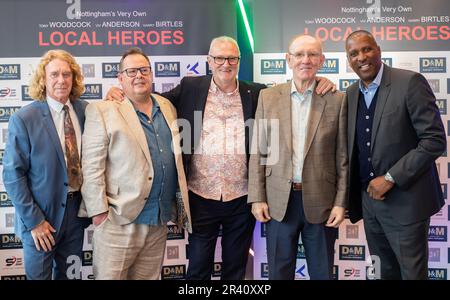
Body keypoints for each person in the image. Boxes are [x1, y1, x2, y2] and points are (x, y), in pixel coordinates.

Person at [106, 36, 336, 280]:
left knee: (235, 268)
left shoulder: (257, 93)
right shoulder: (191, 87)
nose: (225, 64)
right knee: (197, 267)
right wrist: (121, 92)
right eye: (219, 58)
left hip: (242, 197)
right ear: (209, 61)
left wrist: (319, 81)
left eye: (232, 58)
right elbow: (152, 102)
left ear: (238, 60)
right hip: (200, 195)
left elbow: (293, 92)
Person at [78, 47, 191, 280]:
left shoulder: (166, 106)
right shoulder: (102, 110)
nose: (138, 76)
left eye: (143, 70)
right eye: (131, 72)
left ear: (151, 74)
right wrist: (99, 212)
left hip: (158, 221)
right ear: (120, 78)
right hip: (118, 220)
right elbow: (91, 167)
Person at [345, 30, 446, 280]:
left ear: (378, 50)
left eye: (367, 49)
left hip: (406, 204)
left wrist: (390, 178)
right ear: (349, 60)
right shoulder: (350, 94)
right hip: (370, 206)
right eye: (354, 53)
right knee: (383, 272)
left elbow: (434, 140)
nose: (361, 57)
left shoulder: (410, 82)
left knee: (412, 274)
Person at [248, 35, 347, 280]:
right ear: (288, 59)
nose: (306, 60)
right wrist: (257, 197)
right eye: (300, 54)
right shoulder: (268, 97)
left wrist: (340, 202)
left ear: (322, 60)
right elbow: (258, 151)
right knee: (279, 274)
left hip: (322, 203)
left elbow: (342, 157)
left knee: (322, 273)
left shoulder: (337, 99)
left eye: (313, 54)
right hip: (278, 203)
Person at [2, 49, 90, 280]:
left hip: (76, 214)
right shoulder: (24, 118)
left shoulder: (87, 111)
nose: (61, 80)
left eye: (66, 74)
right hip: (41, 219)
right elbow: (12, 175)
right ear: (43, 79)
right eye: (54, 75)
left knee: (71, 276)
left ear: (74, 78)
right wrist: (35, 222)